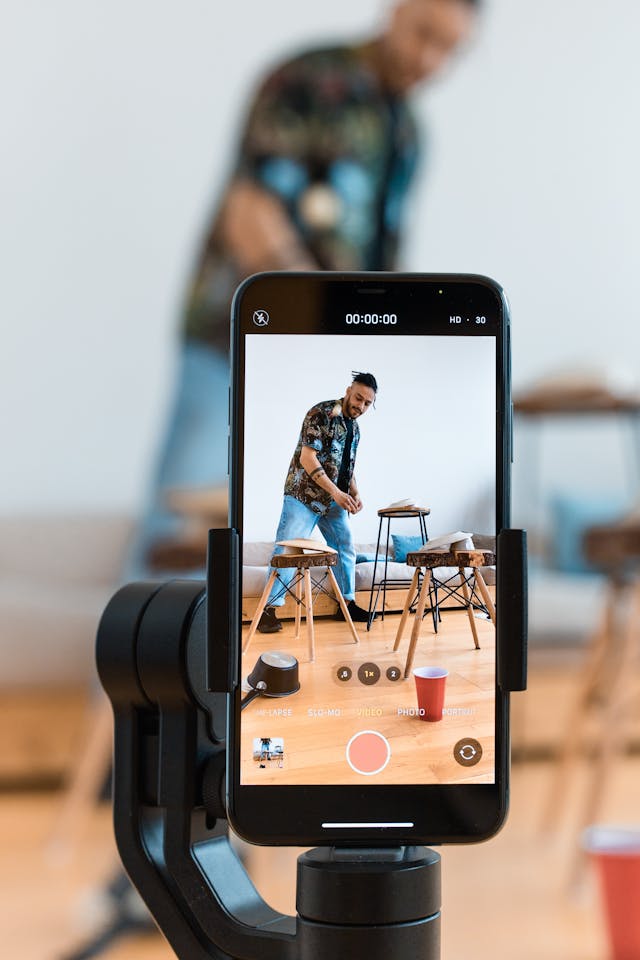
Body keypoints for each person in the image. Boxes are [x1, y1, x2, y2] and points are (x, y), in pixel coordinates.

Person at [129, 0, 479, 578]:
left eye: (450, 50)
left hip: (312, 348)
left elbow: (380, 265)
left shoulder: (409, 132)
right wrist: (307, 321)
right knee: (175, 531)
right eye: (423, 34)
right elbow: (249, 210)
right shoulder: (308, 81)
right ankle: (124, 663)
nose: (430, 59)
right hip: (233, 337)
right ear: (395, 10)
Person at [258, 372, 378, 633]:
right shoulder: (320, 413)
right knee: (287, 551)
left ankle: (346, 603)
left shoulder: (355, 429)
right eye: (358, 398)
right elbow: (308, 459)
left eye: (368, 403)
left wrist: (355, 492)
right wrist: (336, 492)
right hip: (303, 495)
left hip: (333, 499)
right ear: (348, 390)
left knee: (345, 547)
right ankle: (269, 610)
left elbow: (345, 466)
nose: (361, 406)